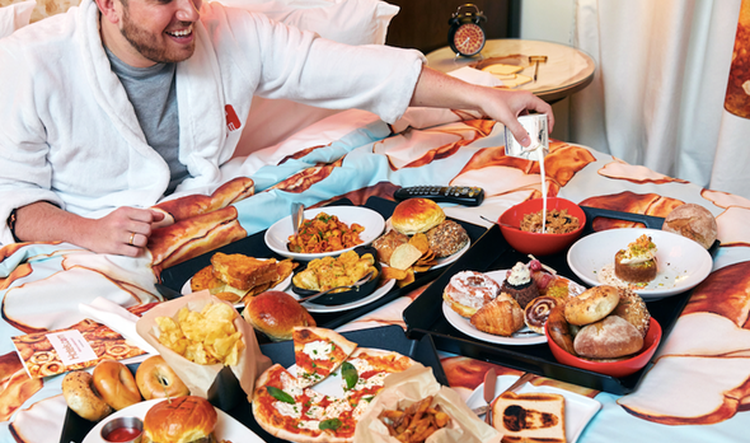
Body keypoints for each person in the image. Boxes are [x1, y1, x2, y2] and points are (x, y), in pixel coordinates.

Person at [0, 0, 553, 257]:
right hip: (85, 240)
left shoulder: (226, 29)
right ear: (107, 4)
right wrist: (86, 230)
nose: (189, 13)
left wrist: (487, 97)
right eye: (164, 0)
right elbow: (11, 200)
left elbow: (355, 70)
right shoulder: (29, 63)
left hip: (207, 211)